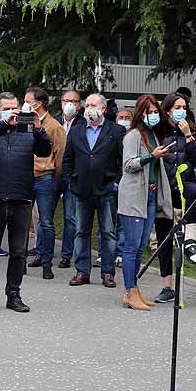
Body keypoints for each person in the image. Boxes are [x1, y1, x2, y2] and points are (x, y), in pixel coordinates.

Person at [0, 92, 51, 314]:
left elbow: (45, 150)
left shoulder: (28, 133)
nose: (13, 111)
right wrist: (3, 125)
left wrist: (37, 127)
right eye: (7, 108)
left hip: (21, 198)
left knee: (18, 252)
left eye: (16, 107)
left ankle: (13, 294)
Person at [116, 94, 173, 310]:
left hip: (150, 195)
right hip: (134, 196)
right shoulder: (133, 136)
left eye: (155, 112)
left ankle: (134, 289)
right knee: (131, 247)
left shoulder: (154, 136)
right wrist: (152, 156)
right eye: (148, 112)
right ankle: (130, 291)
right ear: (141, 113)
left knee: (140, 247)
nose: (153, 116)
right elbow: (129, 165)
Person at [63, 93, 124, 288]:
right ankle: (82, 271)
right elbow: (67, 161)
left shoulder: (116, 130)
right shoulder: (77, 130)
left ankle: (108, 272)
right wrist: (70, 182)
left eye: (93, 105)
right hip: (81, 189)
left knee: (108, 232)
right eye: (87, 105)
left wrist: (116, 183)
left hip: (106, 189)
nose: (89, 108)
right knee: (81, 231)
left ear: (103, 109)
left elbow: (122, 161)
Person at [152, 92, 196, 303]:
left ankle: (190, 239)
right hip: (165, 187)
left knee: (194, 191)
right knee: (164, 235)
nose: (181, 110)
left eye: (184, 106)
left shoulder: (193, 132)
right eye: (177, 107)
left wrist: (189, 135)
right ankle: (167, 286)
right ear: (167, 111)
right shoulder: (158, 132)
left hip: (185, 184)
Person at [24, 87, 66, 279]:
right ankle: (20, 262)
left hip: (45, 177)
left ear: (38, 104)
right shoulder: (23, 122)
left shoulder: (54, 126)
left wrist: (55, 178)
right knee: (23, 221)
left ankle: (47, 263)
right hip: (24, 176)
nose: (24, 104)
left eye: (27, 100)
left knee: (46, 222)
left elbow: (60, 155)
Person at [55, 89, 84, 270]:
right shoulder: (53, 121)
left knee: (70, 217)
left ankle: (66, 254)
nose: (70, 105)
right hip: (52, 174)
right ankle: (43, 253)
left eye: (74, 101)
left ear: (79, 105)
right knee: (45, 217)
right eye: (66, 101)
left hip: (72, 176)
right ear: (61, 102)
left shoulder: (82, 124)